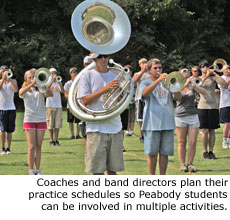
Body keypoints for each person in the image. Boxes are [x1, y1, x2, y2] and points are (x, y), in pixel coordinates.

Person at [77, 53, 124, 175]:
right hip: (96, 127)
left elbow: (122, 100)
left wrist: (120, 92)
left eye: (106, 56)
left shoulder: (116, 75)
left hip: (115, 126)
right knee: (97, 171)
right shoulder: (87, 75)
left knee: (113, 171)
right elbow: (85, 100)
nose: (103, 59)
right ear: (94, 59)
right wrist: (105, 89)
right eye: (100, 56)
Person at [140, 58, 181, 175]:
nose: (158, 70)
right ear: (149, 71)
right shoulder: (145, 82)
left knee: (165, 153)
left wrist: (172, 85)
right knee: (152, 153)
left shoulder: (167, 82)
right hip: (151, 123)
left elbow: (179, 97)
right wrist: (158, 80)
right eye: (155, 68)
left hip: (167, 122)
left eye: (160, 68)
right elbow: (144, 94)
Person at [19, 69, 53, 175]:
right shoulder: (25, 89)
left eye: (33, 77)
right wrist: (32, 84)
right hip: (29, 119)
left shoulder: (40, 88)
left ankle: (37, 169)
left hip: (41, 119)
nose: (32, 79)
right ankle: (30, 170)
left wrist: (42, 85)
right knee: (31, 146)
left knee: (39, 146)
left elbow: (50, 94)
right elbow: (20, 92)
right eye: (29, 77)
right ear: (26, 79)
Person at [175, 68, 207, 172]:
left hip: (193, 115)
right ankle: (182, 164)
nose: (186, 74)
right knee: (181, 142)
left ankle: (190, 164)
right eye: (183, 72)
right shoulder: (176, 86)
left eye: (187, 72)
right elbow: (177, 97)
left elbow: (204, 92)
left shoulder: (192, 84)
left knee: (193, 142)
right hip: (180, 116)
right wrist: (184, 85)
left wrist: (194, 86)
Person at [198, 60, 227, 159]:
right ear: (200, 68)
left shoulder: (213, 77)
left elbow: (225, 85)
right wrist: (206, 75)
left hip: (213, 106)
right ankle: (205, 151)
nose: (205, 68)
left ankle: (211, 151)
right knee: (205, 130)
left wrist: (214, 73)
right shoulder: (198, 78)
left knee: (212, 131)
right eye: (203, 66)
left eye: (206, 66)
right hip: (203, 106)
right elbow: (198, 86)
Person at [0, 65, 18, 155]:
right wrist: (3, 78)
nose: (5, 72)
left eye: (6, 71)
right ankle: (2, 148)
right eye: (3, 71)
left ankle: (8, 148)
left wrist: (10, 79)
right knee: (2, 130)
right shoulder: (0, 81)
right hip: (1, 108)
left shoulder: (13, 81)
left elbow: (15, 90)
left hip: (11, 108)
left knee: (10, 130)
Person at [46, 68, 64, 146]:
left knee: (57, 124)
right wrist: (52, 80)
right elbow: (46, 88)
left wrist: (59, 83)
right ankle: (51, 140)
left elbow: (63, 91)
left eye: (54, 73)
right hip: (49, 105)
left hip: (58, 105)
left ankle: (56, 139)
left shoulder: (58, 82)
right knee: (50, 124)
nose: (54, 74)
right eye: (52, 73)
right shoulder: (47, 81)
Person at [134, 58, 149, 143]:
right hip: (140, 97)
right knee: (140, 118)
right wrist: (143, 71)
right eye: (142, 63)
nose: (144, 64)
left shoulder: (150, 74)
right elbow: (135, 80)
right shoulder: (137, 73)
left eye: (146, 63)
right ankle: (141, 135)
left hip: (149, 97)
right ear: (140, 65)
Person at [64, 67, 82, 139]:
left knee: (78, 121)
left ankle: (77, 134)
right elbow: (65, 94)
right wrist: (71, 97)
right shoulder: (68, 83)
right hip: (70, 105)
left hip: (78, 104)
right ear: (70, 74)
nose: (75, 73)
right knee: (70, 120)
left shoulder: (80, 82)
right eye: (73, 72)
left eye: (76, 71)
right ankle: (72, 135)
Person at [218, 65, 230, 148]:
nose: (229, 70)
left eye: (229, 68)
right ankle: (224, 141)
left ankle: (229, 140)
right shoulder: (220, 78)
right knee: (227, 123)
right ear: (223, 70)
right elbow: (224, 86)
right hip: (225, 103)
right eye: (227, 68)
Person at [125, 65, 136, 136]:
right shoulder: (123, 79)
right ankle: (127, 131)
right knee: (127, 117)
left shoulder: (133, 80)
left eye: (128, 71)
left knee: (132, 117)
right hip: (126, 101)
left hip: (133, 100)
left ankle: (131, 131)